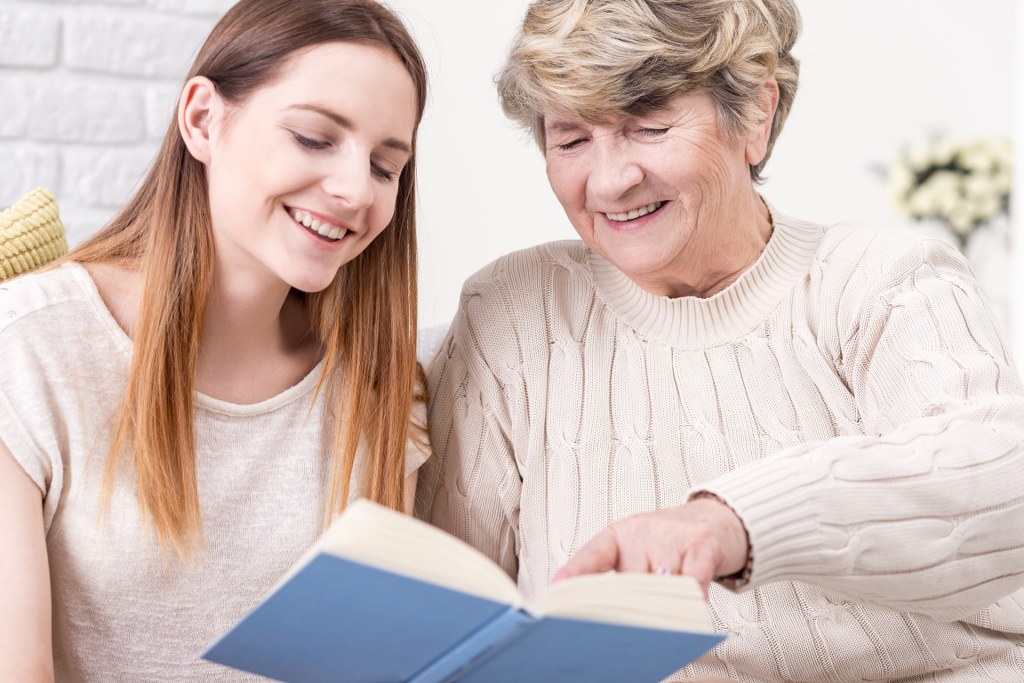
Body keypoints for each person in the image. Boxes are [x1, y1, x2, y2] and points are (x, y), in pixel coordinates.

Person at [415, 0, 1024, 680]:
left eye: (649, 125)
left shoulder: (881, 282)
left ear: (757, 115)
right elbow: (447, 612)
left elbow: (1001, 481)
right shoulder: (511, 313)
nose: (610, 180)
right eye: (571, 138)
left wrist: (734, 522)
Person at [0, 0, 429, 680]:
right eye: (314, 138)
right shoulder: (29, 347)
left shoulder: (380, 390)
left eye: (384, 166)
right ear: (202, 119)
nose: (355, 190)